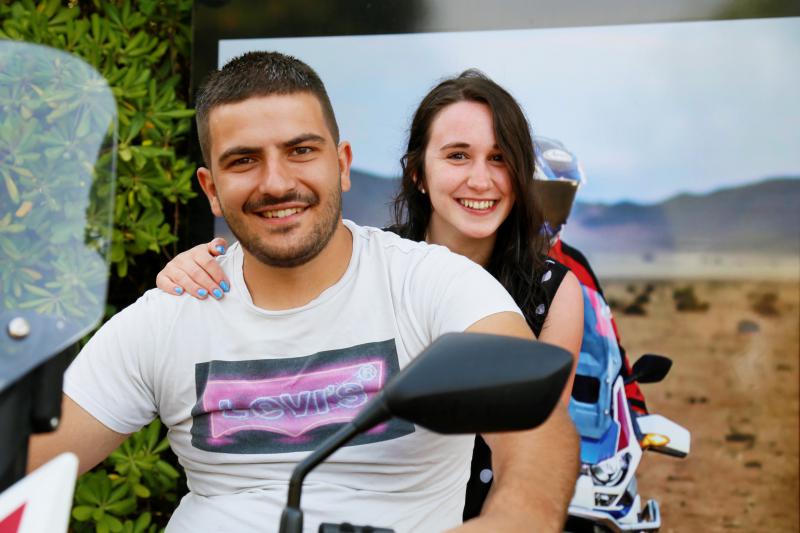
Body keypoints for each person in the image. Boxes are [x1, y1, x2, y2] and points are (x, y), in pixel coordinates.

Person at [28, 52, 581, 532]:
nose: (276, 183)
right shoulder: (170, 315)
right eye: (244, 160)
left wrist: (515, 521)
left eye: (300, 150)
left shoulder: (434, 283)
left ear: (341, 165)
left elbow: (536, 428)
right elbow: (28, 458)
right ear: (211, 190)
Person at [533, 136, 648, 414]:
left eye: (562, 199)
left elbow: (609, 345)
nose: (553, 210)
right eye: (547, 197)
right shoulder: (491, 256)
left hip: (584, 417)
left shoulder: (575, 264)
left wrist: (633, 410)